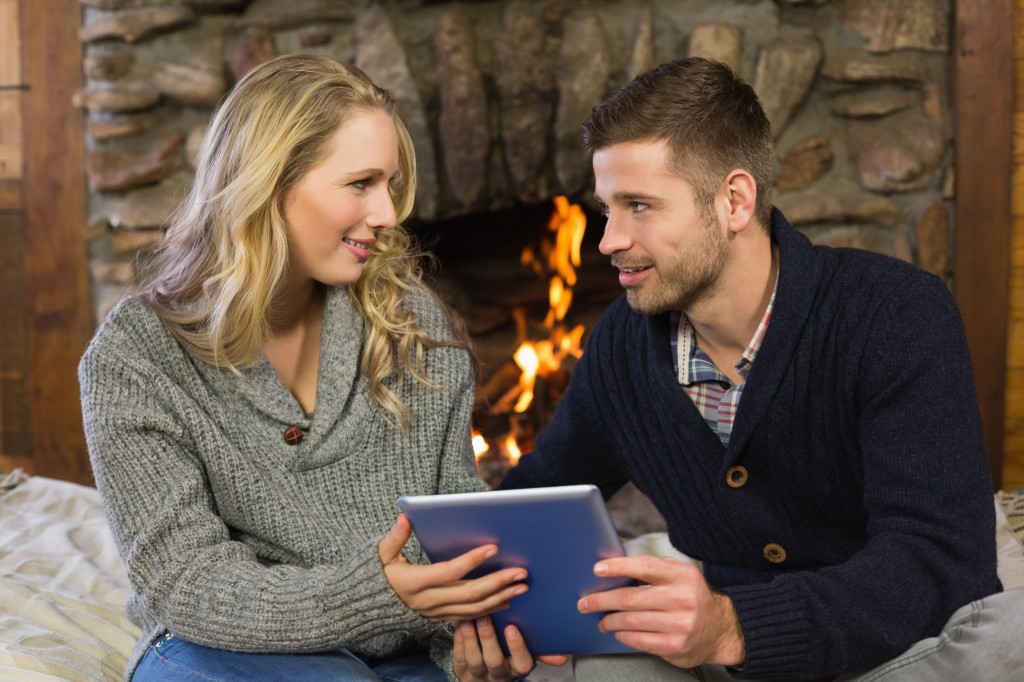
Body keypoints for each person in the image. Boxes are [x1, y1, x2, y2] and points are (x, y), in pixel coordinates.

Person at [455, 57, 1023, 680]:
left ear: (734, 200)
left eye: (639, 206)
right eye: (606, 208)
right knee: (584, 666)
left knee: (1011, 638)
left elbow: (940, 559)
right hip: (720, 654)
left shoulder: (894, 313)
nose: (608, 240)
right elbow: (538, 495)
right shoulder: (623, 343)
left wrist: (734, 626)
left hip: (894, 643)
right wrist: (473, 597)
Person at [78, 53, 532, 682]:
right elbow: (184, 581)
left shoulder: (413, 322)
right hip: (221, 650)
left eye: (391, 184)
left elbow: (454, 524)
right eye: (360, 184)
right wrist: (372, 593)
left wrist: (471, 642)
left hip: (399, 651)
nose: (388, 215)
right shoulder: (135, 358)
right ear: (269, 185)